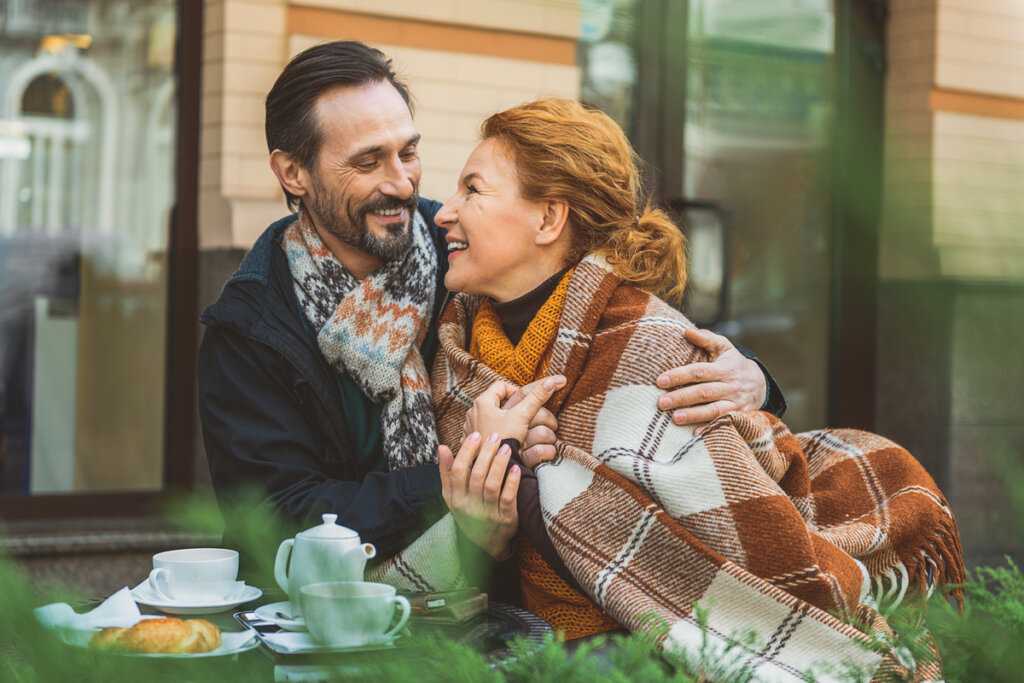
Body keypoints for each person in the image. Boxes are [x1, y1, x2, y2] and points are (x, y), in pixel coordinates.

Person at [197, 41, 784, 580]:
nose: (402, 184)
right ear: (292, 172)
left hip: (492, 596)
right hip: (319, 608)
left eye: (408, 152)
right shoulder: (251, 328)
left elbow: (605, 312)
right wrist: (471, 472)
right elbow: (278, 518)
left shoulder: (458, 247)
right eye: (367, 162)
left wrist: (752, 376)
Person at [422, 98, 964, 678]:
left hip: (647, 647)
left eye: (472, 190)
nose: (443, 213)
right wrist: (497, 503)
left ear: (549, 219)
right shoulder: (454, 351)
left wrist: (529, 479)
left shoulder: (651, 345)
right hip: (527, 629)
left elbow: (705, 563)